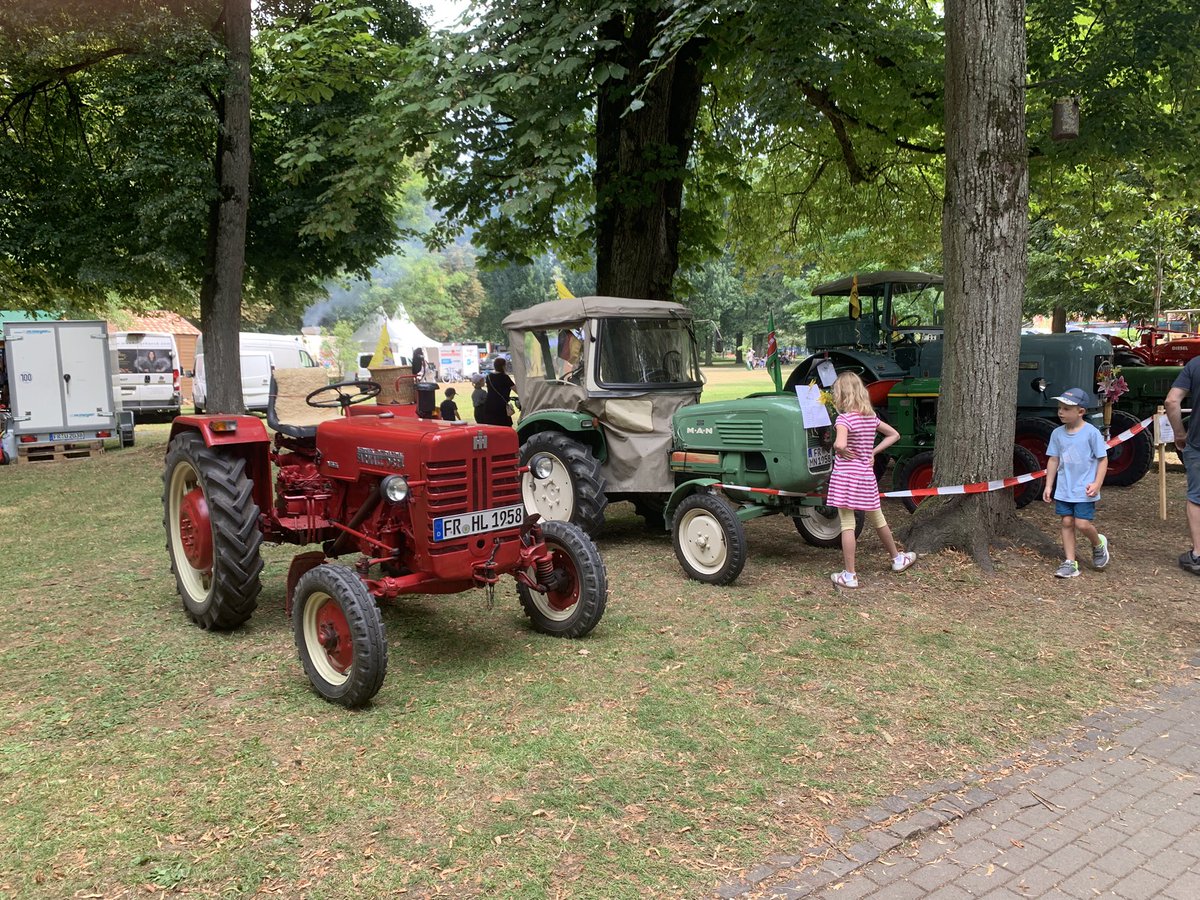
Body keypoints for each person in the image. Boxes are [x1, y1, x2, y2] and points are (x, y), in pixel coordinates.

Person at [826, 372, 916, 588]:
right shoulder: (870, 418)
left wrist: (842, 449)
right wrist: (872, 452)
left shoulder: (844, 419)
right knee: (878, 518)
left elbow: (839, 444)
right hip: (866, 476)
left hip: (846, 476)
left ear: (842, 394)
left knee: (848, 523)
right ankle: (896, 558)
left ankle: (850, 575)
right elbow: (894, 435)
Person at [1041, 387, 1110, 578]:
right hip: (1064, 488)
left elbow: (1102, 459)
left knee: (1082, 524)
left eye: (1066, 409)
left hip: (1085, 488)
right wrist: (1048, 485)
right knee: (1066, 521)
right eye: (1059, 408)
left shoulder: (1091, 433)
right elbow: (1053, 459)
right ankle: (1070, 562)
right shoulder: (1057, 433)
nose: (1060, 412)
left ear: (1081, 412)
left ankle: (1098, 544)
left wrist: (1097, 483)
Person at [1165, 356, 1200, 575]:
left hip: (1198, 443)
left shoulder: (1195, 364)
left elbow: (1171, 401)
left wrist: (1179, 433)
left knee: (1197, 498)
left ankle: (1198, 554)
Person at [479, 357, 516, 426]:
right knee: (504, 427)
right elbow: (515, 389)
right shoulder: (505, 377)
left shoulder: (489, 377)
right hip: (501, 407)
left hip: (489, 405)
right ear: (503, 366)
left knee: (492, 427)